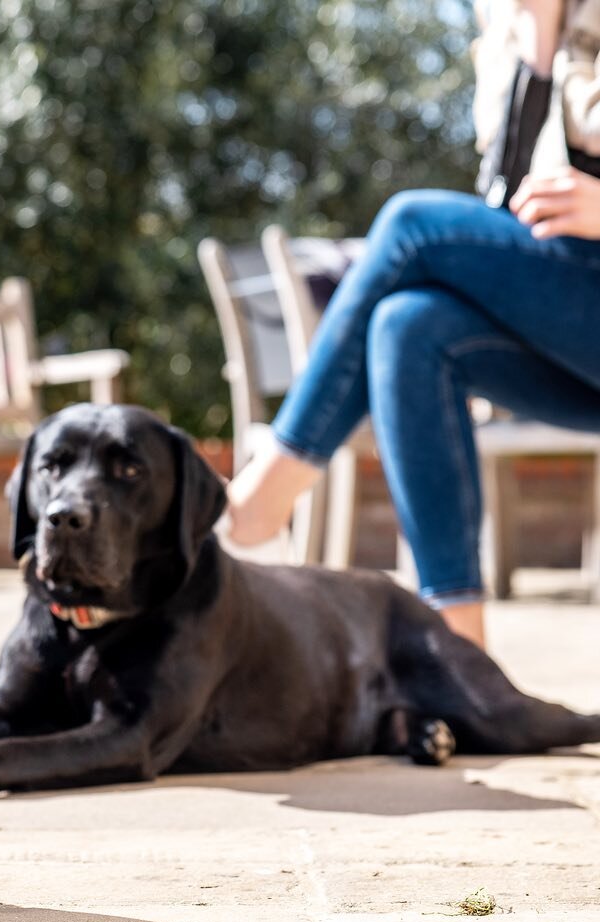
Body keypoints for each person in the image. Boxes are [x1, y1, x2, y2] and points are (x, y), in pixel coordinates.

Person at [225, 0, 600, 648]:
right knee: (408, 325)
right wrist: (541, 40)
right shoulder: (524, 32)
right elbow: (507, 197)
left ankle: (276, 475)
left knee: (410, 224)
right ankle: (463, 659)